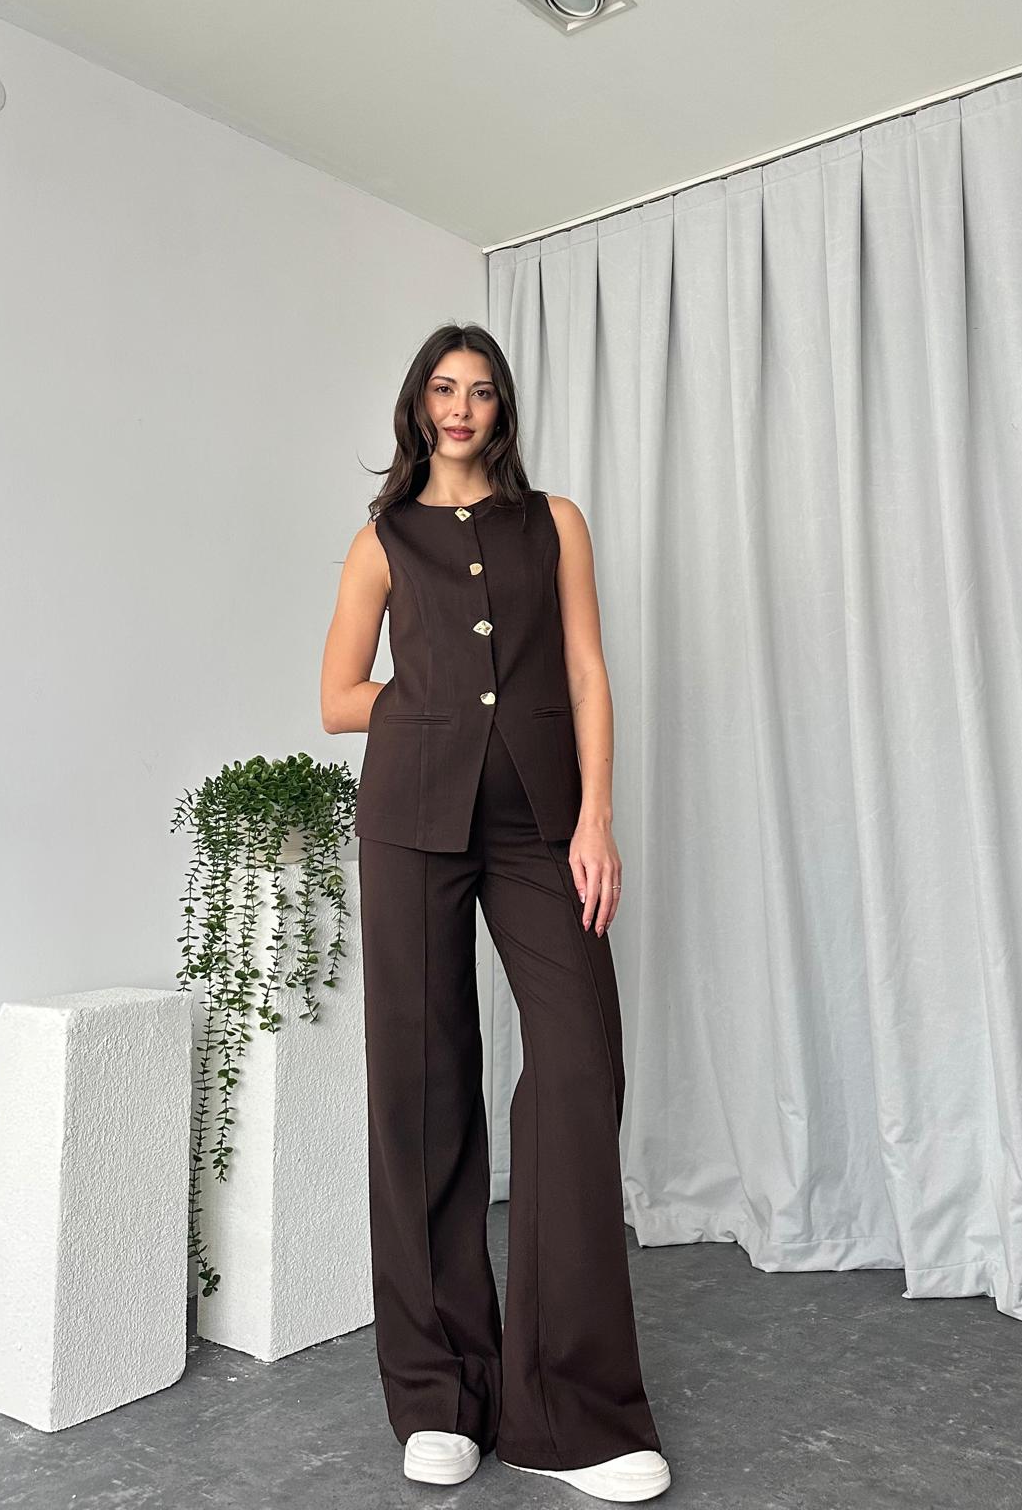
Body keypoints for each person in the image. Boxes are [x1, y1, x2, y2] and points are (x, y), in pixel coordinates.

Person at [320, 322, 670, 1504]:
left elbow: (586, 672)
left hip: (540, 822)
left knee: (578, 1064)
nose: (461, 406)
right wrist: (434, 700)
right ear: (418, 405)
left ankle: (572, 1410)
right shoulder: (381, 540)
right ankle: (439, 1391)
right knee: (421, 1088)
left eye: (480, 390)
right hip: (410, 815)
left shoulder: (553, 521)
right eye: (443, 387)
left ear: (502, 408)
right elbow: (336, 697)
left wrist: (596, 815)